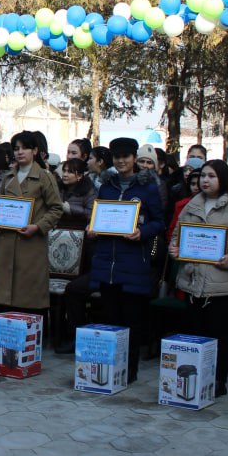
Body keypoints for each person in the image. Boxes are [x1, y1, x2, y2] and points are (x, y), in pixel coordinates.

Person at [168, 160, 228, 396]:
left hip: (225, 287)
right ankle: (194, 378)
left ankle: (218, 380)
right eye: (203, 176)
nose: (205, 180)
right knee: (195, 332)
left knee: (221, 335)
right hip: (194, 284)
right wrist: (175, 248)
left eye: (211, 176)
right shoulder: (192, 206)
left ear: (223, 180)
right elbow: (178, 236)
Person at [87, 137, 165, 383]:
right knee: (110, 319)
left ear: (134, 159)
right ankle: (110, 368)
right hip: (106, 262)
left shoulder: (148, 187)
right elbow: (99, 215)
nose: (121, 161)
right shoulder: (106, 186)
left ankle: (129, 371)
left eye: (126, 157)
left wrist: (143, 232)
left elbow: (159, 222)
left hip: (133, 262)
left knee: (132, 320)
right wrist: (93, 228)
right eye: (117, 157)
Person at [0, 131, 65, 313]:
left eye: (25, 148)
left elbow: (56, 208)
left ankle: (30, 335)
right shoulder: (8, 178)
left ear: (35, 150)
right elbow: (0, 206)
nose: (20, 152)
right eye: (16, 149)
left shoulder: (45, 177)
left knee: (28, 297)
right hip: (7, 242)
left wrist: (38, 226)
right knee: (5, 297)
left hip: (31, 243)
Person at [57, 158, 96, 229]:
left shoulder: (88, 191)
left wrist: (70, 209)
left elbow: (90, 214)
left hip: (79, 231)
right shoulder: (57, 188)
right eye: (64, 171)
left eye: (70, 172)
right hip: (57, 230)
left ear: (79, 176)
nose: (65, 175)